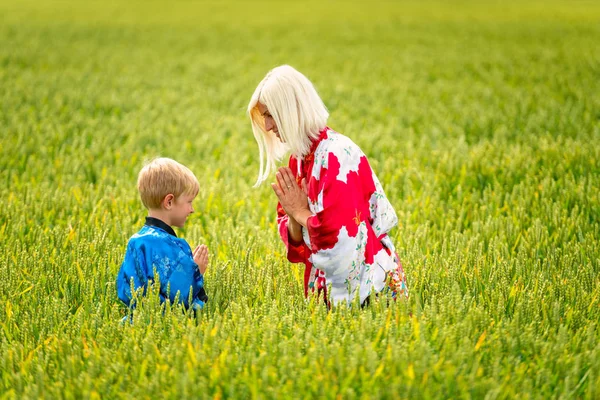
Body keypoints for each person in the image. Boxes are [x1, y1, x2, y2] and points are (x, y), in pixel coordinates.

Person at [247, 65, 408, 306]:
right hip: (330, 294)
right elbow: (295, 237)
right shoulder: (299, 159)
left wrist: (301, 213)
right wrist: (294, 214)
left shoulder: (337, 155)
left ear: (291, 110)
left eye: (271, 115)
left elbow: (339, 239)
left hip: (370, 296)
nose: (268, 126)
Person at [116, 157, 209, 312]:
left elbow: (125, 288)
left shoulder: (135, 241)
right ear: (169, 202)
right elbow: (178, 297)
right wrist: (196, 270)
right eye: (189, 202)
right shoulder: (169, 245)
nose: (192, 209)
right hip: (167, 321)